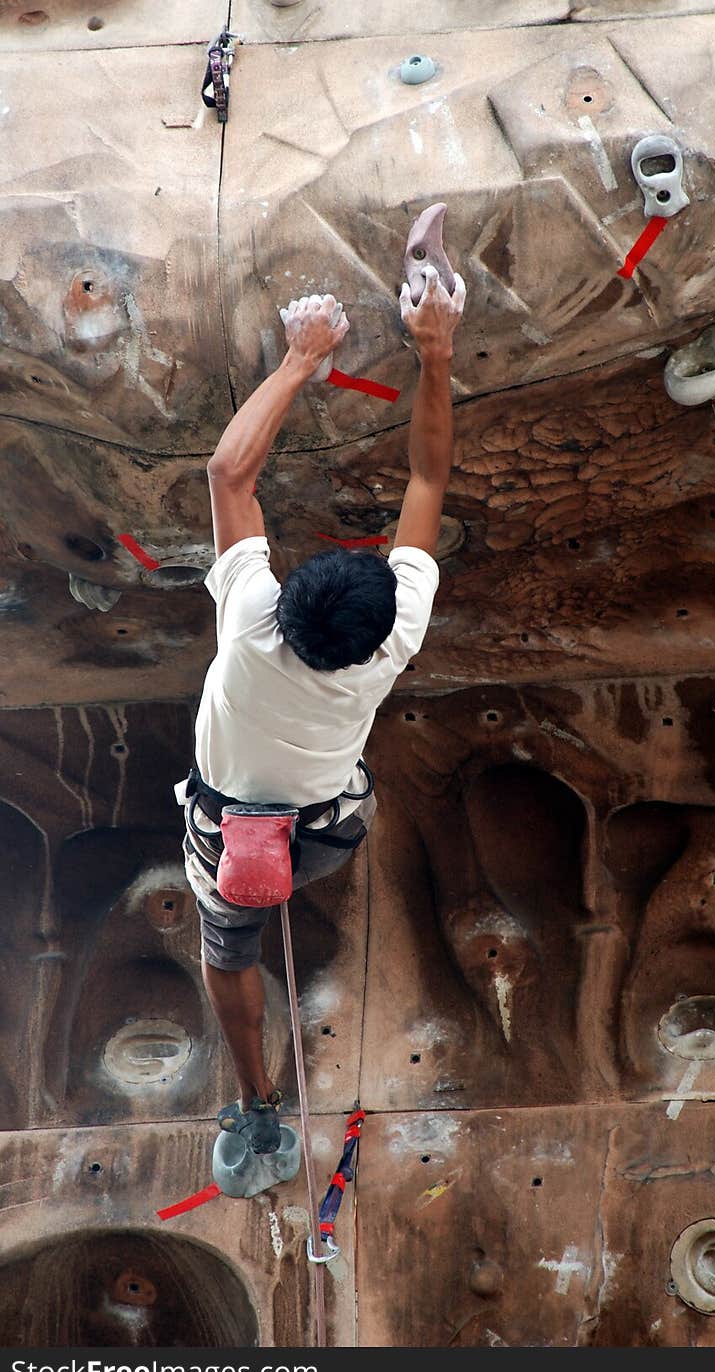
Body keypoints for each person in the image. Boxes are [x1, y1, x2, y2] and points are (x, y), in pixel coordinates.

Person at [177, 265, 466, 1153]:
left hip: (232, 841)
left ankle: (258, 1102)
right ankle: (261, 1100)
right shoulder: (394, 638)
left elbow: (230, 470)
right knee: (286, 858)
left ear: (287, 594)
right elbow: (428, 476)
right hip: (326, 832)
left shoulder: (252, 623)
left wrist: (303, 357)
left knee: (227, 951)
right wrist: (436, 350)